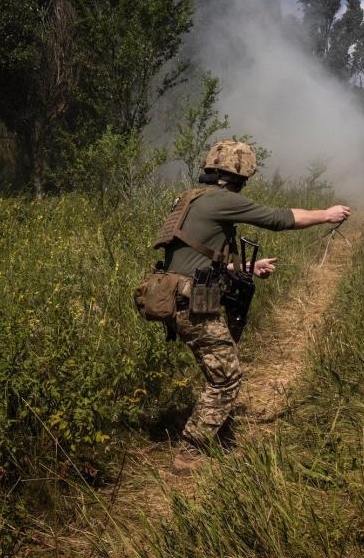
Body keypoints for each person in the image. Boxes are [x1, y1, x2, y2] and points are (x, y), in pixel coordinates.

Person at [148, 139, 350, 475]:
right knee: (227, 378)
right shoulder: (224, 201)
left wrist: (245, 269)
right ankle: (190, 453)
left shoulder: (192, 200)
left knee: (216, 370)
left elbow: (196, 256)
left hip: (172, 294)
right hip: (189, 301)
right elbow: (277, 218)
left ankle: (214, 427)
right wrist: (325, 215)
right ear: (239, 176)